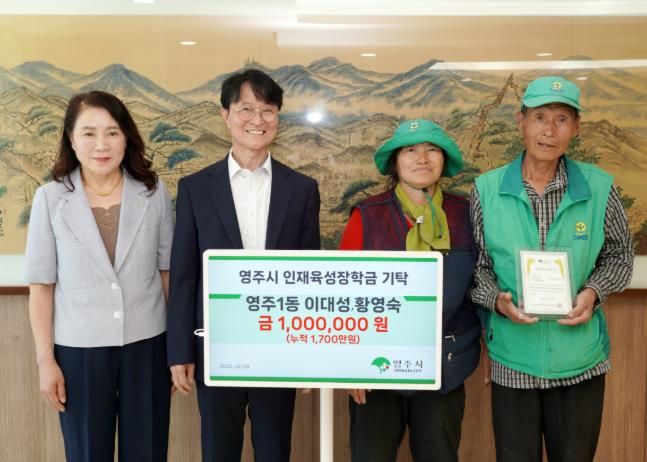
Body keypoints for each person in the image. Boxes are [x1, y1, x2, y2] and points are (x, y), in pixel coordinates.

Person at [471, 76, 634, 461]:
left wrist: (592, 293)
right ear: (521, 122)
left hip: (580, 359)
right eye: (540, 117)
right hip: (513, 356)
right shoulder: (486, 189)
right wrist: (497, 301)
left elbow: (620, 256)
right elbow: (478, 267)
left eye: (562, 119)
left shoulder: (599, 187)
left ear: (575, 128)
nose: (549, 130)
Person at [167, 68, 320, 462]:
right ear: (226, 115)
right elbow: (184, 276)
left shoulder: (302, 189)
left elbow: (310, 278)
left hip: (280, 344)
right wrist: (179, 350)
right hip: (217, 344)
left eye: (268, 110)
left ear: (278, 118)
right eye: (246, 109)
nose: (257, 119)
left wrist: (309, 356)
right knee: (219, 450)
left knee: (274, 449)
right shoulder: (195, 188)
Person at [24, 91, 174, 462]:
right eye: (89, 133)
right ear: (71, 140)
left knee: (148, 451)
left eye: (112, 132)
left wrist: (176, 351)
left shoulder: (153, 193)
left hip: (148, 345)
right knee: (88, 453)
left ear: (127, 138)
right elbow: (41, 286)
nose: (101, 145)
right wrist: (45, 361)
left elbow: (167, 273)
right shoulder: (50, 198)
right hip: (79, 351)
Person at [339, 119, 481, 462]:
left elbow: (481, 285)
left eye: (432, 150)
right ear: (395, 162)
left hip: (445, 364)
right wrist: (350, 366)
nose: (422, 158)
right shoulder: (367, 215)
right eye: (410, 150)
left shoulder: (465, 213)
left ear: (444, 160)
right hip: (376, 367)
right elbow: (344, 294)